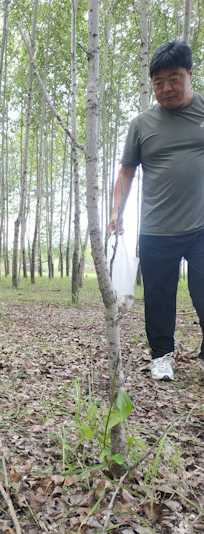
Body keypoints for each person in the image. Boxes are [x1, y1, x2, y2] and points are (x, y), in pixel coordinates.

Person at [109, 40, 204, 381]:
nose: (166, 89)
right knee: (159, 298)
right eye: (158, 82)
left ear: (190, 74)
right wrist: (116, 209)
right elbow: (126, 171)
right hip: (157, 229)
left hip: (201, 227)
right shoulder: (142, 124)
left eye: (174, 79)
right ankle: (162, 356)